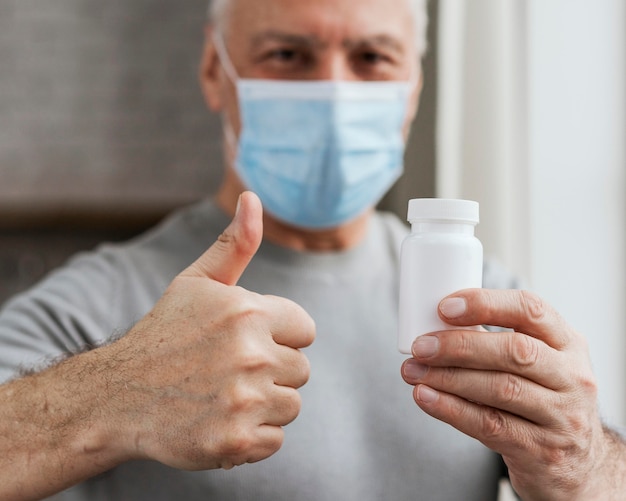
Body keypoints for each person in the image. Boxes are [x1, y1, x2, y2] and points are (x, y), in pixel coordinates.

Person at [0, 0, 624, 499]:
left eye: (372, 56)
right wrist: (121, 390)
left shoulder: (476, 294)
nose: (333, 90)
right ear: (216, 74)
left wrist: (586, 465)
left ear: (412, 88)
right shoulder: (107, 299)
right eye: (288, 55)